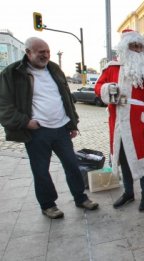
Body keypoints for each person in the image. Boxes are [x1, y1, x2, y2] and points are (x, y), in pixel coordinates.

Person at [0, 37, 99, 219]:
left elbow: (66, 97)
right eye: (40, 52)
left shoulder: (54, 68)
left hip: (61, 128)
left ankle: (81, 198)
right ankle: (48, 205)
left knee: (72, 165)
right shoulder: (12, 73)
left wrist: (72, 123)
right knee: (41, 171)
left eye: (47, 51)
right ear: (28, 53)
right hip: (37, 131)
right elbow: (3, 105)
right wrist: (25, 122)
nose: (45, 55)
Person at [95, 29, 144, 212]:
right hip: (117, 123)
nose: (137, 49)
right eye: (133, 45)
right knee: (123, 160)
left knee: (142, 160)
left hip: (138, 124)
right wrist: (109, 88)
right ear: (125, 47)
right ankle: (128, 193)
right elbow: (98, 87)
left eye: (140, 46)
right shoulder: (111, 68)